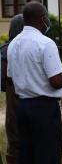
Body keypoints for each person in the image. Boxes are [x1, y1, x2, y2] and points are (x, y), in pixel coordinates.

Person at [7, 1, 62, 164]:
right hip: (44, 108)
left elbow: (10, 78)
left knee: (26, 154)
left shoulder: (13, 44)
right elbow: (56, 81)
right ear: (42, 19)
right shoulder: (45, 43)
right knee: (48, 154)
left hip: (22, 107)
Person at [0, 14, 24, 164]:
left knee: (14, 143)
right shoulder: (35, 46)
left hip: (12, 104)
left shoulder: (4, 50)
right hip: (32, 102)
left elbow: (3, 83)